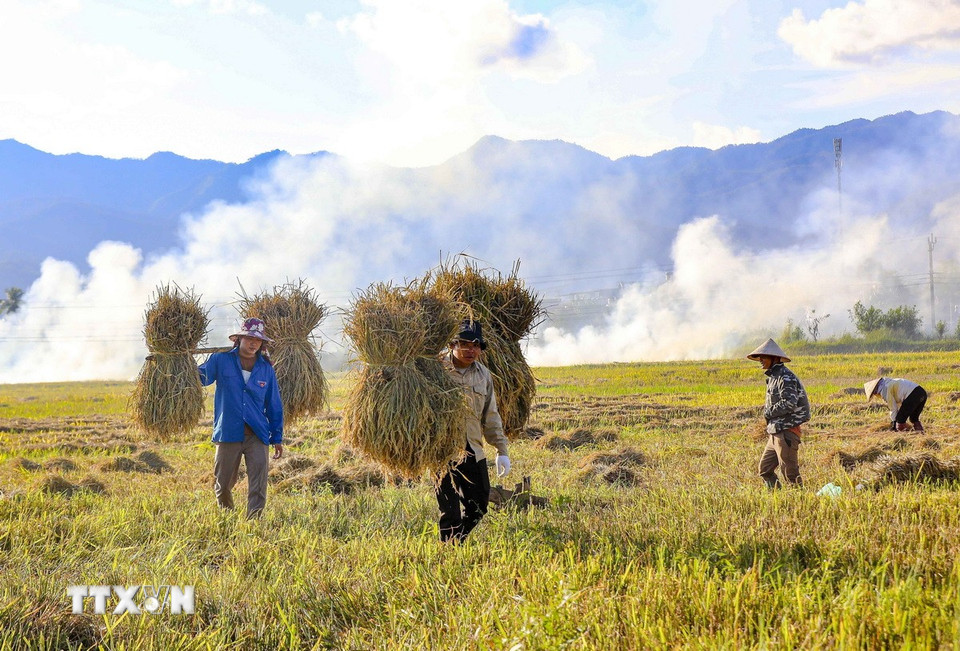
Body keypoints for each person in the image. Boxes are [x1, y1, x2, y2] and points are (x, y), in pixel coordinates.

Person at [198, 317, 283, 518]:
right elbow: (201, 378)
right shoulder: (221, 360)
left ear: (262, 344)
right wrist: (179, 361)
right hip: (228, 432)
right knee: (223, 483)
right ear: (239, 339)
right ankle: (227, 517)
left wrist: (277, 437)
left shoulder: (266, 369)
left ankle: (253, 522)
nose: (253, 343)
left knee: (258, 484)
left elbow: (274, 405)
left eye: (258, 340)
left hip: (257, 434)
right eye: (249, 339)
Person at [437, 319, 511, 543]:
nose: (471, 350)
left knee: (479, 506)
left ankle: (456, 542)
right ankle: (450, 553)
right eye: (465, 344)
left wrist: (501, 449)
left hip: (472, 448)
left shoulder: (483, 375)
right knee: (449, 511)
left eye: (476, 345)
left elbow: (491, 414)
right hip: (441, 450)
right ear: (452, 345)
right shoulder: (436, 369)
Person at [748, 338, 810, 489]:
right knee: (765, 470)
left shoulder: (785, 377)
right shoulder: (774, 377)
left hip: (786, 432)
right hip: (775, 432)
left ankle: (798, 502)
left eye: (764, 357)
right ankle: (777, 498)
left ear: (774, 358)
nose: (760, 360)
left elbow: (789, 403)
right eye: (759, 357)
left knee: (790, 473)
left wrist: (768, 412)